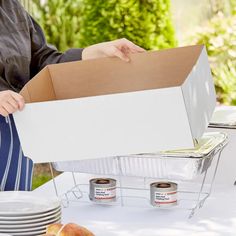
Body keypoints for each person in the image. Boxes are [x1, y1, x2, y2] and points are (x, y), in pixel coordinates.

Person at [0, 0, 144, 191]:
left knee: (15, 210)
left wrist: (91, 53)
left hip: (16, 130)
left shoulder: (11, 7)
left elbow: (41, 61)